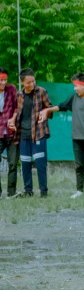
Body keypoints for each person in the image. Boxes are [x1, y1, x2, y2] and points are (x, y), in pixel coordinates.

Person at [14, 68, 53, 197]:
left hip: (38, 132)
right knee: (25, 163)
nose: (31, 84)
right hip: (23, 134)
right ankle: (28, 191)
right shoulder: (19, 95)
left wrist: (46, 113)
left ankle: (43, 191)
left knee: (40, 163)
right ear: (22, 83)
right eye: (28, 82)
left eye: (33, 81)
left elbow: (50, 108)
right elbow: (17, 112)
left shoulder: (41, 91)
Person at [0, 68, 20, 198]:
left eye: (5, 80)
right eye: (1, 80)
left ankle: (11, 192)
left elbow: (18, 106)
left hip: (12, 132)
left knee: (13, 163)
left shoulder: (11, 89)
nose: (3, 82)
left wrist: (13, 118)